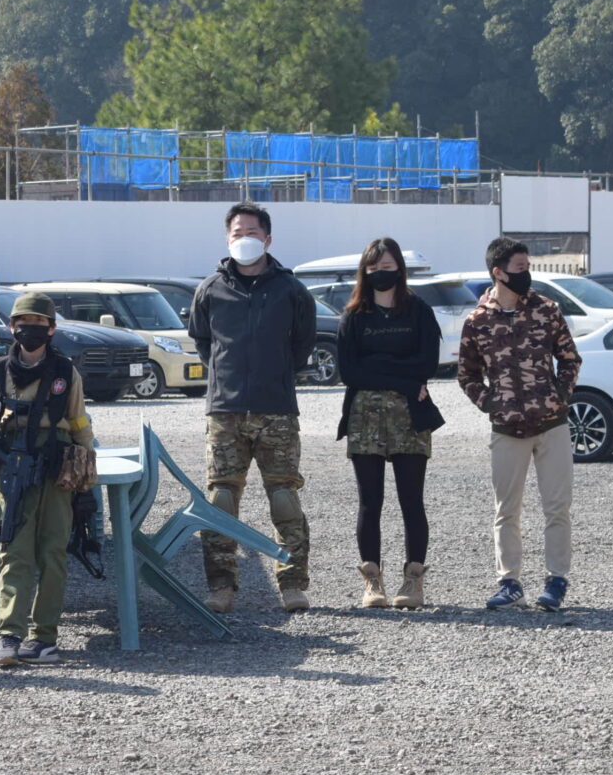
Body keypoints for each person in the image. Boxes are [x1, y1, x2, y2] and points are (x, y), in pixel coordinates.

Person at [189, 201, 317, 614]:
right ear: (227, 239)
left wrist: (273, 373)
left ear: (268, 239)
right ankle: (221, 585)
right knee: (221, 500)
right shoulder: (210, 289)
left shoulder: (291, 290)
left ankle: (292, 583)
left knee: (284, 497)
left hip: (276, 408)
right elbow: (203, 342)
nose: (244, 239)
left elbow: (302, 345)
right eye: (237, 233)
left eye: (252, 233)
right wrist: (226, 375)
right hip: (224, 411)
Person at [0, 292, 97, 668]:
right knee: (14, 550)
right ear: (12, 328)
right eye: (23, 322)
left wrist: (86, 481)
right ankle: (10, 636)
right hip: (11, 466)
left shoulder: (65, 372)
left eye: (39, 323)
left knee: (53, 551)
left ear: (52, 329)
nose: (31, 329)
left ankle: (44, 639)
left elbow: (79, 423)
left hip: (56, 466)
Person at [458, 237, 582, 612]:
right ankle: (509, 583)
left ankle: (556, 581)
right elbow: (467, 375)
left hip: (552, 425)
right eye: (520, 268)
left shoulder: (546, 309)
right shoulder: (477, 321)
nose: (527, 274)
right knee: (506, 510)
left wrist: (559, 397)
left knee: (557, 508)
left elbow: (570, 359)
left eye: (528, 267)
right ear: (498, 272)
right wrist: (491, 404)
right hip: (507, 429)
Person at [335, 238, 444, 609]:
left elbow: (427, 364)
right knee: (370, 502)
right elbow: (349, 372)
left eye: (387, 267)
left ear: (400, 268)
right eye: (374, 268)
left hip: (410, 414)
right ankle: (373, 581)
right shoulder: (354, 316)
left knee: (412, 500)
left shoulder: (418, 311)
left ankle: (414, 580)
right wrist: (405, 377)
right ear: (364, 272)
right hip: (364, 415)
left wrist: (379, 366)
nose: (381, 274)